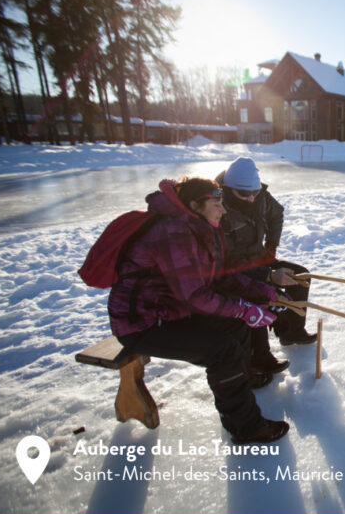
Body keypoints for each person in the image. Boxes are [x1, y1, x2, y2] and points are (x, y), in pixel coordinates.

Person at [108, 177, 289, 444]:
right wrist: (243, 309)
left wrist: (263, 291)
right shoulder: (173, 232)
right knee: (222, 350)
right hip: (142, 322)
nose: (224, 210)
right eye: (217, 204)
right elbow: (194, 295)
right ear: (195, 204)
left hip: (170, 310)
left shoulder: (202, 227)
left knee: (235, 326)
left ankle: (242, 377)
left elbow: (219, 276)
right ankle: (245, 427)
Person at [216, 158, 317, 375]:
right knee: (258, 293)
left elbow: (276, 214)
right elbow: (228, 261)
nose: (251, 197)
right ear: (229, 188)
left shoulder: (260, 196)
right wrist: (269, 276)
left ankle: (292, 331)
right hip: (235, 269)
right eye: (245, 193)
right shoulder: (218, 208)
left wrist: (271, 246)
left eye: (254, 191)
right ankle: (260, 356)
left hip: (260, 258)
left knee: (300, 275)